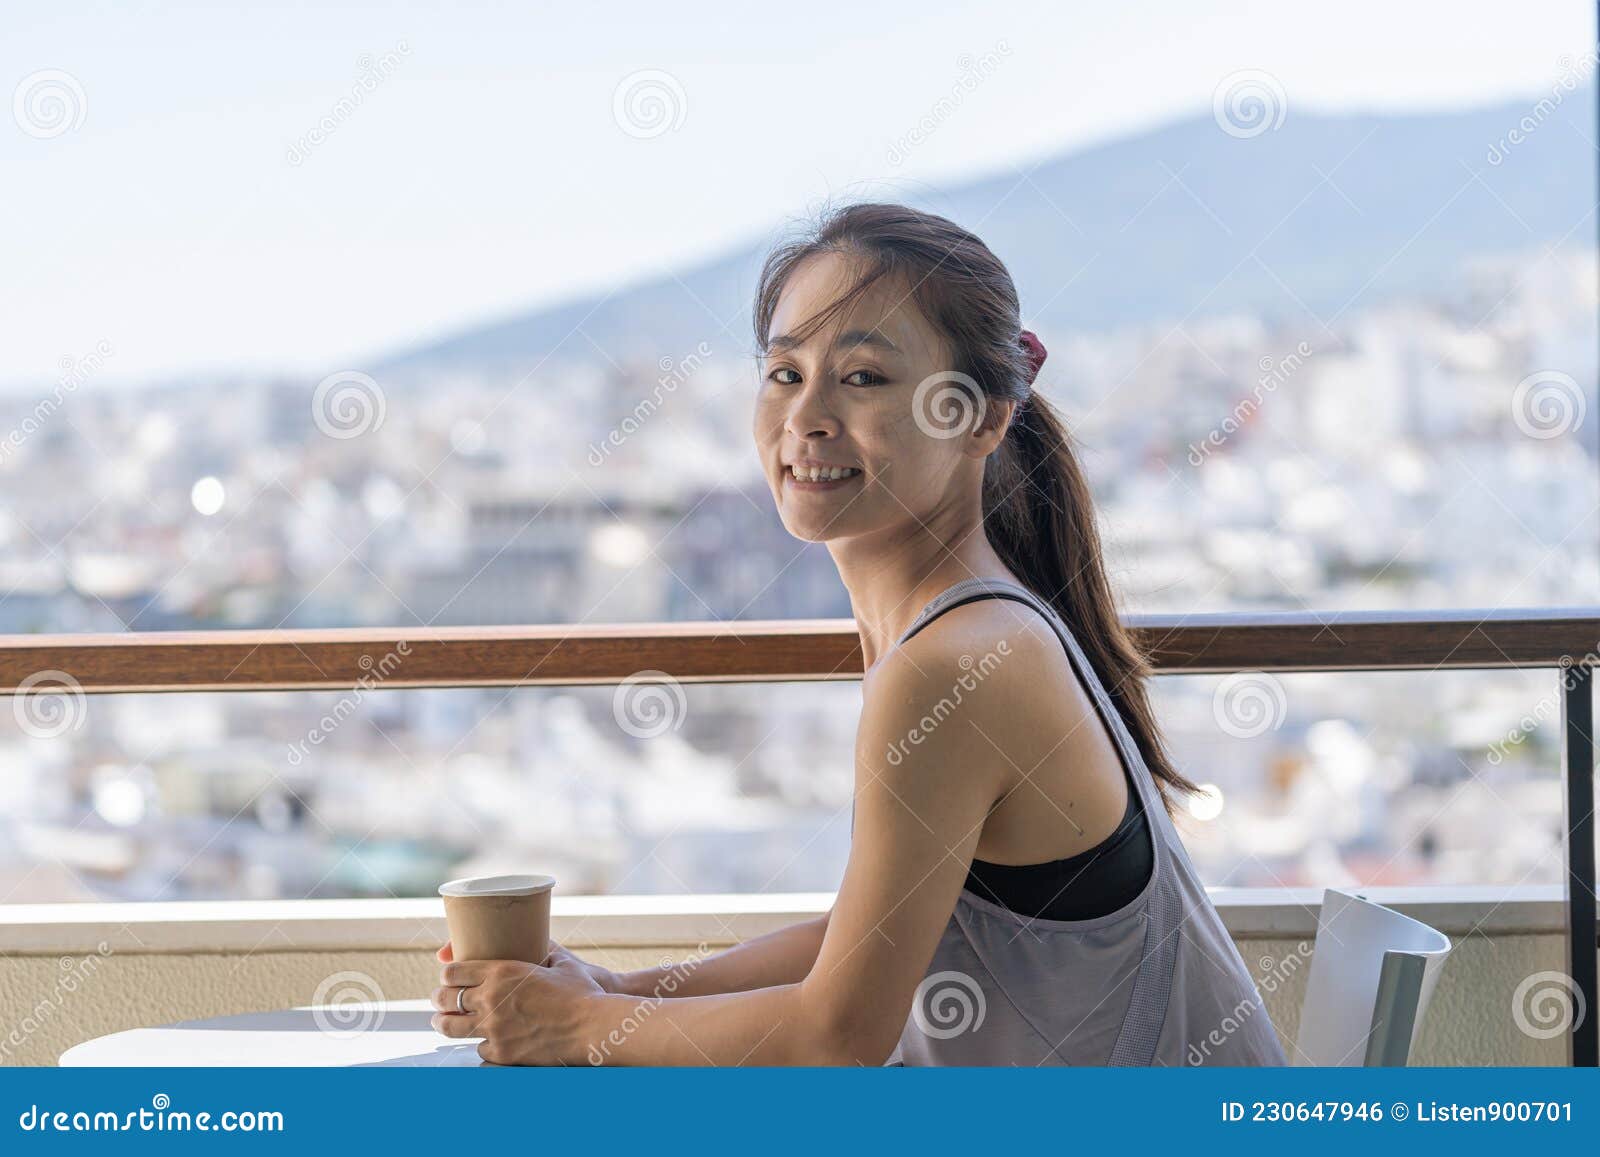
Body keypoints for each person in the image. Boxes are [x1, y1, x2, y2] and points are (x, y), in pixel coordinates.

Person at [430, 202, 1288, 1067]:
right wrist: (612, 994)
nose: (807, 415)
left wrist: (575, 1027)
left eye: (865, 378)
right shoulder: (969, 623)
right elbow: (870, 940)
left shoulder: (958, 663)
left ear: (981, 420)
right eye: (784, 372)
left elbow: (838, 1035)